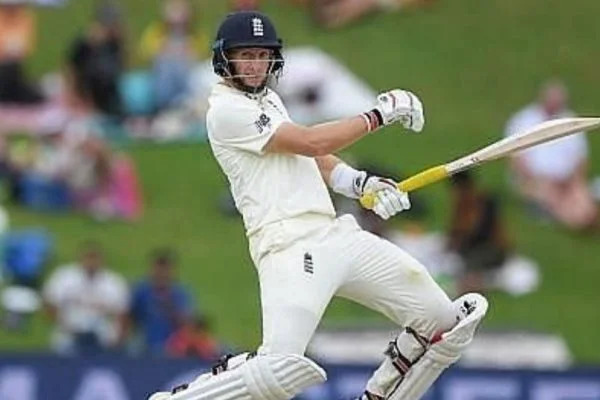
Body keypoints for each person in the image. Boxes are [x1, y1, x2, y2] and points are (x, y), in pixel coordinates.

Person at [149, 11, 488, 400]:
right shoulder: (226, 111)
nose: (256, 65)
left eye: (262, 55)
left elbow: (308, 155)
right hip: (289, 246)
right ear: (225, 58)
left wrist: (361, 183)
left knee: (443, 324)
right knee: (280, 370)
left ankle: (380, 393)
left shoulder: (268, 100)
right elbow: (311, 142)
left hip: (335, 234)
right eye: (246, 56)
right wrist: (378, 114)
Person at [504, 80, 598, 231]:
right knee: (553, 198)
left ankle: (585, 217)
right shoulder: (524, 120)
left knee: (581, 196)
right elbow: (517, 160)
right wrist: (537, 179)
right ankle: (575, 221)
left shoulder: (571, 121)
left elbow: (580, 157)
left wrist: (574, 180)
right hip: (536, 179)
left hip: (567, 179)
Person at [447, 171, 510, 294]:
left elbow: (477, 231)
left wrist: (457, 242)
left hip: (489, 250)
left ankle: (473, 290)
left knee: (469, 266)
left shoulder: (478, 202)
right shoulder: (466, 201)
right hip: (476, 247)